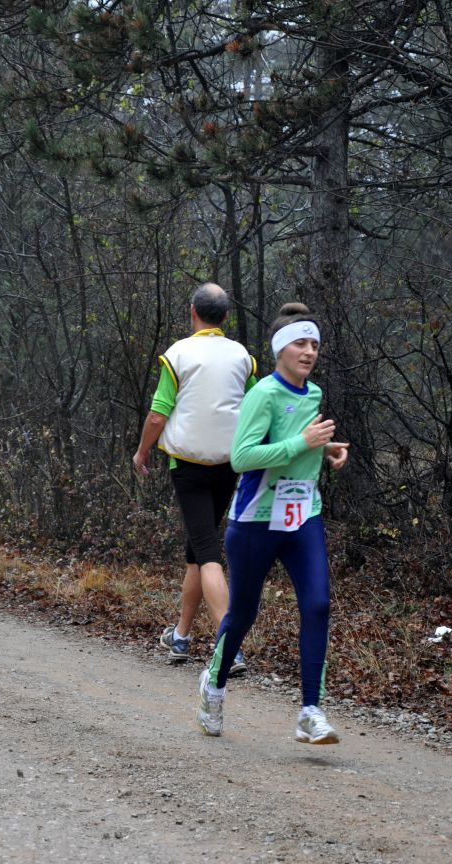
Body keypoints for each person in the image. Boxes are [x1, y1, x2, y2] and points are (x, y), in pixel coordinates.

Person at [196, 302, 349, 742]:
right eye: (300, 343)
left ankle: (310, 712)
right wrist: (303, 441)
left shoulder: (314, 394)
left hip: (303, 514)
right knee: (243, 614)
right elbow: (243, 458)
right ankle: (215, 682)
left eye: (315, 344)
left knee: (318, 604)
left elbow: (295, 446)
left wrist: (324, 449)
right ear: (281, 348)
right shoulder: (262, 393)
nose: (309, 351)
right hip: (255, 520)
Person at [133, 283, 257, 675]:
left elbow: (158, 413)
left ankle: (229, 646)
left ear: (193, 312)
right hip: (228, 464)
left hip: (187, 465)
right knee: (196, 550)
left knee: (207, 553)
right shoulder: (242, 356)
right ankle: (181, 637)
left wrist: (142, 451)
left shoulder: (179, 353)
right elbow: (255, 408)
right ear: (225, 317)